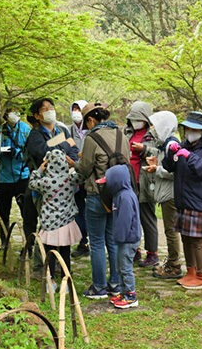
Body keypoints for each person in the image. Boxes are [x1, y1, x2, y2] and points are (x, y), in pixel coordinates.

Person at [162, 111, 202, 289]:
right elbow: (167, 167)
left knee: (198, 240)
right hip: (184, 201)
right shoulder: (184, 145)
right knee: (186, 238)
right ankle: (191, 272)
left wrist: (189, 156)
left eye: (193, 128)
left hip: (200, 201)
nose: (189, 131)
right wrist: (171, 154)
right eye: (187, 128)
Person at [25, 98, 80, 278]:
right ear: (37, 116)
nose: (50, 111)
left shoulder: (62, 130)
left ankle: (59, 265)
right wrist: (64, 144)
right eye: (45, 109)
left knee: (63, 226)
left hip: (64, 189)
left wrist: (64, 149)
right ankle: (41, 268)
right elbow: (42, 153)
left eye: (52, 107)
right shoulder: (35, 135)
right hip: (44, 189)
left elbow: (73, 152)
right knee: (47, 227)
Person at [75, 103, 124, 299]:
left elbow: (85, 168)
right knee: (113, 241)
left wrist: (76, 164)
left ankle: (99, 287)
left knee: (96, 242)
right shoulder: (122, 135)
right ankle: (115, 284)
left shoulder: (91, 138)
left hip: (97, 195)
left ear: (91, 120)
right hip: (117, 196)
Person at [28, 149, 83, 288]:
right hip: (66, 221)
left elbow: (31, 183)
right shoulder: (70, 179)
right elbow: (83, 175)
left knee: (50, 252)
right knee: (65, 251)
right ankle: (66, 277)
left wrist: (40, 169)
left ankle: (50, 280)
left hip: (49, 223)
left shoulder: (45, 181)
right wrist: (74, 164)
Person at [144, 111, 182, 279]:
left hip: (171, 195)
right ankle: (171, 263)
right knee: (170, 230)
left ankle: (174, 266)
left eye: (155, 126)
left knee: (171, 231)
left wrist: (156, 169)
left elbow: (177, 172)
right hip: (168, 193)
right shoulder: (165, 144)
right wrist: (158, 163)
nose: (153, 129)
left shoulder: (171, 145)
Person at [0, 104, 31, 250]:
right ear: (6, 114)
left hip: (22, 176)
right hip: (4, 178)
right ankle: (5, 241)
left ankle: (29, 243)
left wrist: (16, 152)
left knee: (26, 211)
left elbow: (30, 151)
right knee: (3, 213)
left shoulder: (26, 129)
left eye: (17, 111)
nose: (15, 114)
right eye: (12, 112)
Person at [124, 101, 159, 267]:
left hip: (145, 182)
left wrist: (144, 149)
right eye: (133, 118)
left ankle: (152, 253)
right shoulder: (126, 133)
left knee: (147, 217)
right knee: (130, 217)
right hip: (128, 181)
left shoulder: (154, 135)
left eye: (139, 119)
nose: (135, 122)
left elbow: (160, 153)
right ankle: (134, 250)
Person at [104, 164, 141, 309]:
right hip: (122, 240)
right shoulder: (119, 195)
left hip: (128, 240)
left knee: (125, 268)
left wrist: (119, 237)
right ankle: (124, 292)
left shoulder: (125, 197)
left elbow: (124, 221)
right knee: (119, 267)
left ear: (116, 181)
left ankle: (131, 296)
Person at [68, 100, 90, 258]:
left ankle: (95, 241)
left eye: (79, 109)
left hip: (90, 175)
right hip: (75, 176)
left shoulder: (92, 131)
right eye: (74, 108)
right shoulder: (67, 131)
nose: (76, 111)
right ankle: (83, 241)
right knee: (78, 209)